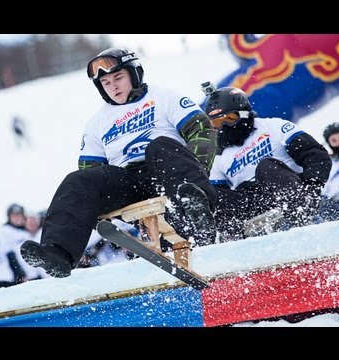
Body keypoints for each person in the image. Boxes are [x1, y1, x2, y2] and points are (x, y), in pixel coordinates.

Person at [20, 48, 218, 278]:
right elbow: (91, 172)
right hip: (129, 181)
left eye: (118, 78)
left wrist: (198, 173)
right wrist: (94, 208)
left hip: (169, 172)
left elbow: (201, 129)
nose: (113, 86)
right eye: (105, 83)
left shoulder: (164, 97)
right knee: (76, 181)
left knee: (159, 145)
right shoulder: (97, 123)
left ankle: (198, 211)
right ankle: (59, 253)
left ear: (135, 75)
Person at [203, 84, 332, 241]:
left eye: (229, 119)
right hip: (253, 204)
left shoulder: (273, 126)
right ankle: (234, 242)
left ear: (243, 113)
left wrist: (312, 187)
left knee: (265, 167)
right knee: (206, 194)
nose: (223, 127)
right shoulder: (218, 155)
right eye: (216, 123)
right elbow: (217, 196)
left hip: (286, 191)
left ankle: (299, 217)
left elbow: (315, 155)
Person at [0, 204, 44, 282]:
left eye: (19, 215)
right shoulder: (5, 231)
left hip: (36, 274)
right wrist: (20, 275)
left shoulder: (25, 232)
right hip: (23, 277)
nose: (17, 218)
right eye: (14, 215)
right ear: (9, 217)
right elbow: (9, 255)